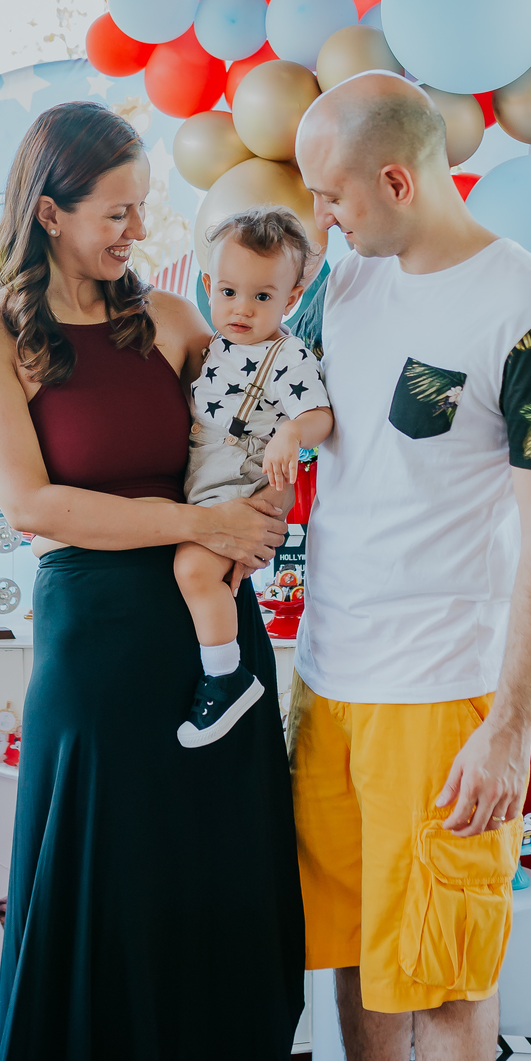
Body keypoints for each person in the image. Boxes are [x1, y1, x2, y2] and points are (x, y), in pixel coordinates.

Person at [0, 101, 305, 1061]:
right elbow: (35, 505)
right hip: (98, 648)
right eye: (119, 210)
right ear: (49, 211)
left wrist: (267, 487)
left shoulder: (180, 321)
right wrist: (198, 527)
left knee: (224, 906)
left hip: (213, 645)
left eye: (147, 204)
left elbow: (252, 431)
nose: (144, 230)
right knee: (99, 922)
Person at [288, 73, 531, 1061]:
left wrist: (509, 722)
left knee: (453, 965)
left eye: (333, 192)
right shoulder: (342, 279)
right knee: (361, 942)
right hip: (331, 676)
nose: (319, 214)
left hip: (446, 687)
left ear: (398, 182)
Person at [175, 205, 332, 748]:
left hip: (240, 484)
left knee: (194, 570)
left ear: (291, 300)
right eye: (228, 292)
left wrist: (291, 433)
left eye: (262, 297)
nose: (242, 309)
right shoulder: (210, 349)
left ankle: (226, 676)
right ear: (207, 285)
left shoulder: (287, 355)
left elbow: (320, 416)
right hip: (201, 483)